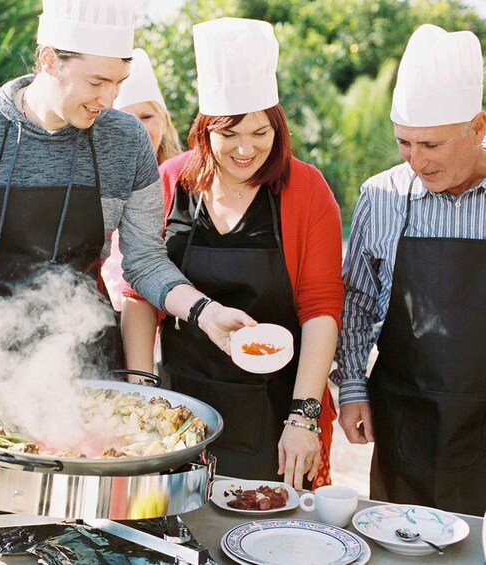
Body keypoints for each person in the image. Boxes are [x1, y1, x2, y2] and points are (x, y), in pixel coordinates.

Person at [0, 0, 255, 368]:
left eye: (118, 83)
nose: (108, 100)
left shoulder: (126, 141)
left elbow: (145, 261)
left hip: (86, 351)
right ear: (50, 60)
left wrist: (206, 313)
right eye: (96, 82)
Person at [121, 18, 343, 490]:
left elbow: (321, 308)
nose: (246, 150)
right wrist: (141, 391)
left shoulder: (306, 190)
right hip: (180, 404)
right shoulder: (170, 180)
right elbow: (138, 291)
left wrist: (304, 417)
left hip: (280, 405)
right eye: (229, 135)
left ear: (277, 127)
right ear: (205, 131)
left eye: (260, 133)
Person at [332, 24, 486, 515]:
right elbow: (355, 298)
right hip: (407, 417)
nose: (416, 160)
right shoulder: (382, 196)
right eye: (405, 143)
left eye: (432, 145)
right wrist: (353, 387)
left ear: (478, 128)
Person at [100, 47, 182, 313]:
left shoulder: (187, 183)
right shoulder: (93, 188)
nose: (139, 129)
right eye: (126, 118)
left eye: (147, 117)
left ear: (165, 123)